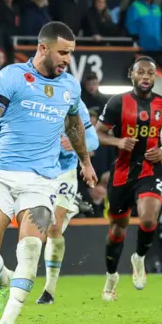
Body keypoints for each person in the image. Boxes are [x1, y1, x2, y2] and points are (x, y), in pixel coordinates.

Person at [0, 22, 98, 324]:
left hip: (41, 181)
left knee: (30, 251)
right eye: (63, 52)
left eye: (71, 53)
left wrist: (85, 161)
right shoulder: (13, 76)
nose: (67, 59)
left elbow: (74, 128)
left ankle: (7, 323)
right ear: (43, 48)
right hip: (0, 175)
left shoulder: (70, 86)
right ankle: (2, 281)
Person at [95, 56, 162, 301]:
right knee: (117, 230)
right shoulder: (116, 103)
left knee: (149, 220)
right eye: (141, 72)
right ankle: (111, 276)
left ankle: (139, 258)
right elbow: (99, 134)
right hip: (122, 172)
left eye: (150, 73)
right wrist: (118, 141)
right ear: (132, 75)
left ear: (155, 77)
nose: (145, 77)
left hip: (150, 170)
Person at [35, 99, 99, 305]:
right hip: (37, 172)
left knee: (53, 227)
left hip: (64, 172)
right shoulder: (31, 99)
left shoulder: (75, 102)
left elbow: (94, 139)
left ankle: (49, 290)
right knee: (36, 229)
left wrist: (75, 144)